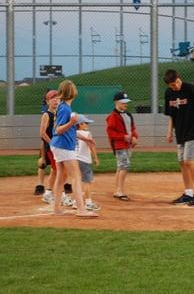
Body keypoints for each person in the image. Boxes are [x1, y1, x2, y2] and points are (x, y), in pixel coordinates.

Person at [49, 80, 97, 218]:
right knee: (76, 176)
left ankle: (56, 209)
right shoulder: (65, 109)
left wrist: (85, 138)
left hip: (59, 145)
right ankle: (81, 209)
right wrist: (71, 122)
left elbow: (67, 131)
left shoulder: (63, 107)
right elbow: (58, 130)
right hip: (63, 146)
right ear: (72, 93)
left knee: (61, 178)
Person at [163, 69, 194, 205]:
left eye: (177, 82)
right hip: (181, 131)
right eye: (172, 85)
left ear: (179, 78)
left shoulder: (190, 88)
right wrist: (169, 131)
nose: (176, 86)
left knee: (189, 161)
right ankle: (189, 193)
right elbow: (172, 114)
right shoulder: (169, 93)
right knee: (182, 163)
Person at [106, 91, 138, 201]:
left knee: (120, 167)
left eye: (126, 102)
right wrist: (123, 137)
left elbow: (132, 128)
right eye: (123, 102)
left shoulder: (128, 115)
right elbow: (110, 132)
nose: (125, 104)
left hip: (128, 145)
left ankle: (117, 190)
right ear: (116, 102)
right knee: (125, 166)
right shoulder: (113, 116)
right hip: (120, 145)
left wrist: (134, 137)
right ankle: (119, 191)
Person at [73, 114, 101, 212]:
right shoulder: (87, 134)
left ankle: (76, 202)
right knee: (87, 181)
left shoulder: (72, 133)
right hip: (84, 160)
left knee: (76, 180)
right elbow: (91, 146)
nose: (87, 124)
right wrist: (96, 158)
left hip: (73, 159)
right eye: (85, 123)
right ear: (80, 124)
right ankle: (88, 202)